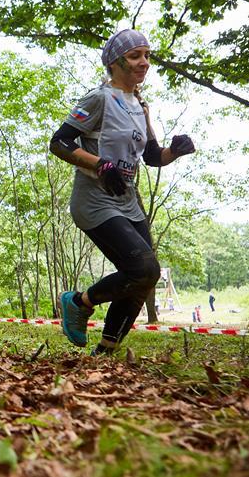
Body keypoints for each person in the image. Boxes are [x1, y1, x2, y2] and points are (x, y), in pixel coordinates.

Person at [49, 29, 197, 355]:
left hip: (127, 199)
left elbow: (153, 156)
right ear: (115, 63)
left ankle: (105, 352)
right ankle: (78, 302)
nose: (143, 62)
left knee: (144, 277)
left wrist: (177, 150)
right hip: (94, 198)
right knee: (144, 268)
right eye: (134, 56)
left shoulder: (140, 105)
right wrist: (101, 164)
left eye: (146, 55)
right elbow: (58, 142)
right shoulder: (99, 99)